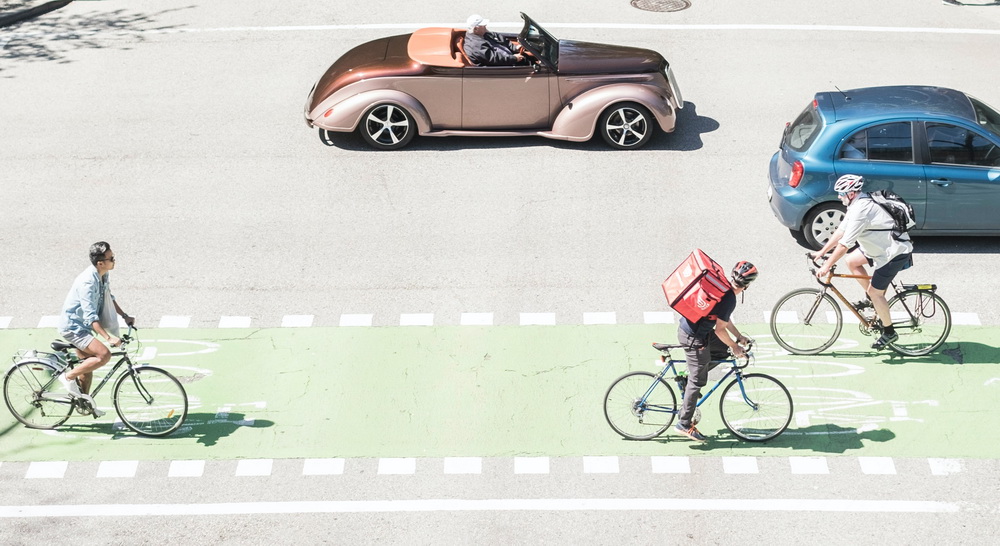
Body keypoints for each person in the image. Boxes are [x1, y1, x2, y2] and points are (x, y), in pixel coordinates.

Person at [812, 174, 914, 350]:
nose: (839, 197)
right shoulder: (856, 204)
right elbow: (841, 232)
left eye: (841, 193)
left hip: (892, 254)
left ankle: (889, 332)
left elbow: (845, 244)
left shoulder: (862, 209)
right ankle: (872, 299)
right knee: (851, 261)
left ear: (851, 193)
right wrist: (822, 252)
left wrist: (827, 266)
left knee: (877, 293)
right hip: (877, 249)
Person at [674, 261, 758, 442]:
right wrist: (736, 347)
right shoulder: (729, 299)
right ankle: (684, 423)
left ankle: (686, 381)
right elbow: (720, 330)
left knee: (722, 350)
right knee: (698, 381)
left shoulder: (724, 290)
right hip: (693, 336)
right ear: (748, 285)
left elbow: (724, 321)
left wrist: (738, 336)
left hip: (696, 330)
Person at [56, 242, 135, 417]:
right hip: (74, 327)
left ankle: (84, 403)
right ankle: (68, 377)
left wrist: (125, 315)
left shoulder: (103, 275)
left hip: (83, 326)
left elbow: (108, 296)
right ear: (100, 262)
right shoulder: (88, 283)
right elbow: (90, 317)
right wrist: (109, 338)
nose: (114, 260)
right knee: (104, 355)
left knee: (87, 367)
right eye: (111, 258)